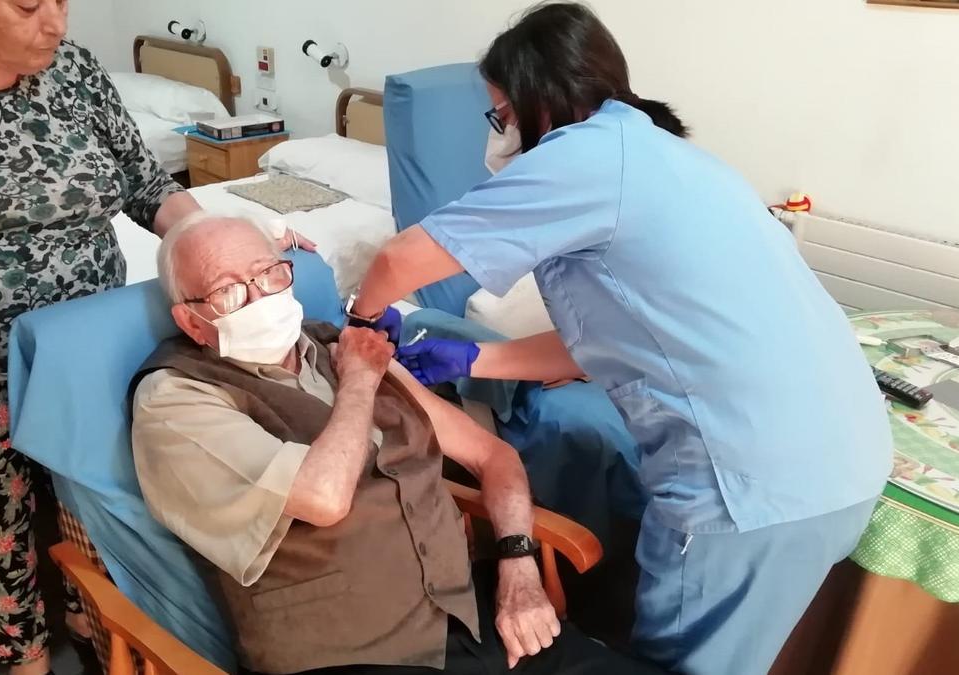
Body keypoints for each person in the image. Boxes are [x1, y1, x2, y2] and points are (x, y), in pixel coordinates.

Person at [344, 3, 893, 674]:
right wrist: (478, 356)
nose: (499, 134)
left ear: (538, 98)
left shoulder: (581, 159)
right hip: (840, 458)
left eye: (501, 114)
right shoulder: (661, 153)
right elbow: (617, 334)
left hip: (751, 485)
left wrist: (360, 324)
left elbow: (402, 260)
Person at [0, 3, 309, 674]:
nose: (55, 22)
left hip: (88, 352)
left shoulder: (72, 70)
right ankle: (25, 656)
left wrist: (226, 252)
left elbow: (148, 184)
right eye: (27, 6)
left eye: (61, 0)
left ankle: (93, 613)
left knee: (95, 491)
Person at [129, 215, 665, 675]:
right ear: (190, 320)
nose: (259, 298)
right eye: (227, 291)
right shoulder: (176, 400)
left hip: (474, 619)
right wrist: (360, 380)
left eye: (268, 274)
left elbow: (492, 456)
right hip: (349, 657)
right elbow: (322, 498)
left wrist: (519, 566)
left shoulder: (336, 345)